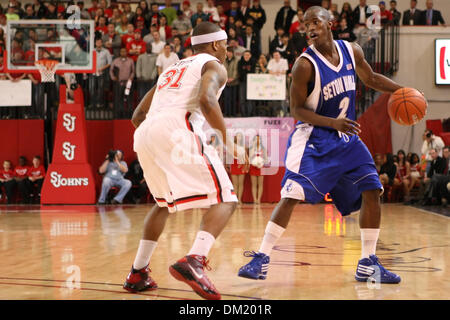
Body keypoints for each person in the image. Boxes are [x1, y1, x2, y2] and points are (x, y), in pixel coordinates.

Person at [238, 6, 406, 284]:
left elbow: (372, 78)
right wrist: (332, 123)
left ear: (331, 23)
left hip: (346, 138)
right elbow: (296, 110)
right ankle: (261, 257)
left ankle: (368, 263)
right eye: (305, 24)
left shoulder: (352, 51)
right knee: (292, 195)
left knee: (373, 189)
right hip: (314, 138)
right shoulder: (304, 65)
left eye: (315, 21)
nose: (309, 28)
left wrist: (402, 91)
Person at [123, 21, 248, 300]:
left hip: (145, 132)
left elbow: (136, 116)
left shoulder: (172, 69)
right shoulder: (213, 65)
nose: (227, 51)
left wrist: (158, 142)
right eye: (226, 45)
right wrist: (229, 144)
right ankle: (194, 259)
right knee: (226, 200)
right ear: (216, 45)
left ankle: (138, 273)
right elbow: (206, 100)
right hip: (177, 128)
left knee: (162, 204)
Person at [109, 47, 135, 118]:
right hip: (119, 82)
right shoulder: (115, 61)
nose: (123, 53)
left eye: (124, 51)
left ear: (126, 52)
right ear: (120, 53)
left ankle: (129, 114)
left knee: (129, 98)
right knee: (118, 98)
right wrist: (113, 77)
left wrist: (130, 78)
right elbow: (111, 70)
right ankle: (119, 114)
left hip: (128, 83)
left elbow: (133, 71)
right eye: (122, 51)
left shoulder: (130, 61)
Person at [90, 38, 112, 108]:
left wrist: (102, 68)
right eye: (97, 42)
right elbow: (88, 61)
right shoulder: (92, 51)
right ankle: (92, 103)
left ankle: (99, 103)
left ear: (102, 43)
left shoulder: (106, 51)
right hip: (93, 72)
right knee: (92, 88)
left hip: (102, 72)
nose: (98, 43)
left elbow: (109, 63)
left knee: (100, 88)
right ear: (95, 43)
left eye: (100, 42)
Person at [249, 135, 267, 204]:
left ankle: (258, 199)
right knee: (254, 184)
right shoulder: (251, 148)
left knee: (260, 184)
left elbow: (266, 159)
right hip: (253, 167)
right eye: (256, 139)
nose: (257, 141)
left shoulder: (263, 148)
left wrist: (261, 163)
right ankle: (254, 199)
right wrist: (253, 147)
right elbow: (250, 157)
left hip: (261, 167)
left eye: (259, 139)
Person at [237, 50, 255, 117]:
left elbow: (252, 72)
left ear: (250, 56)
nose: (246, 56)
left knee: (250, 99)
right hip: (242, 82)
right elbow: (240, 72)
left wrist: (245, 71)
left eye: (248, 55)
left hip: (251, 83)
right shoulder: (240, 62)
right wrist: (247, 71)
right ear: (243, 56)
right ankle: (243, 114)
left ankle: (249, 114)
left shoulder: (253, 62)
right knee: (242, 99)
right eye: (245, 55)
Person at [223, 46, 239, 117]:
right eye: (227, 52)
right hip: (226, 82)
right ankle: (227, 113)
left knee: (233, 98)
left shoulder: (236, 60)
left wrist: (233, 78)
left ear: (233, 53)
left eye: (230, 52)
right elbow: (223, 70)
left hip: (234, 82)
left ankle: (233, 113)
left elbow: (236, 70)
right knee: (226, 98)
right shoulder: (224, 60)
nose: (229, 54)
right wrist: (226, 78)